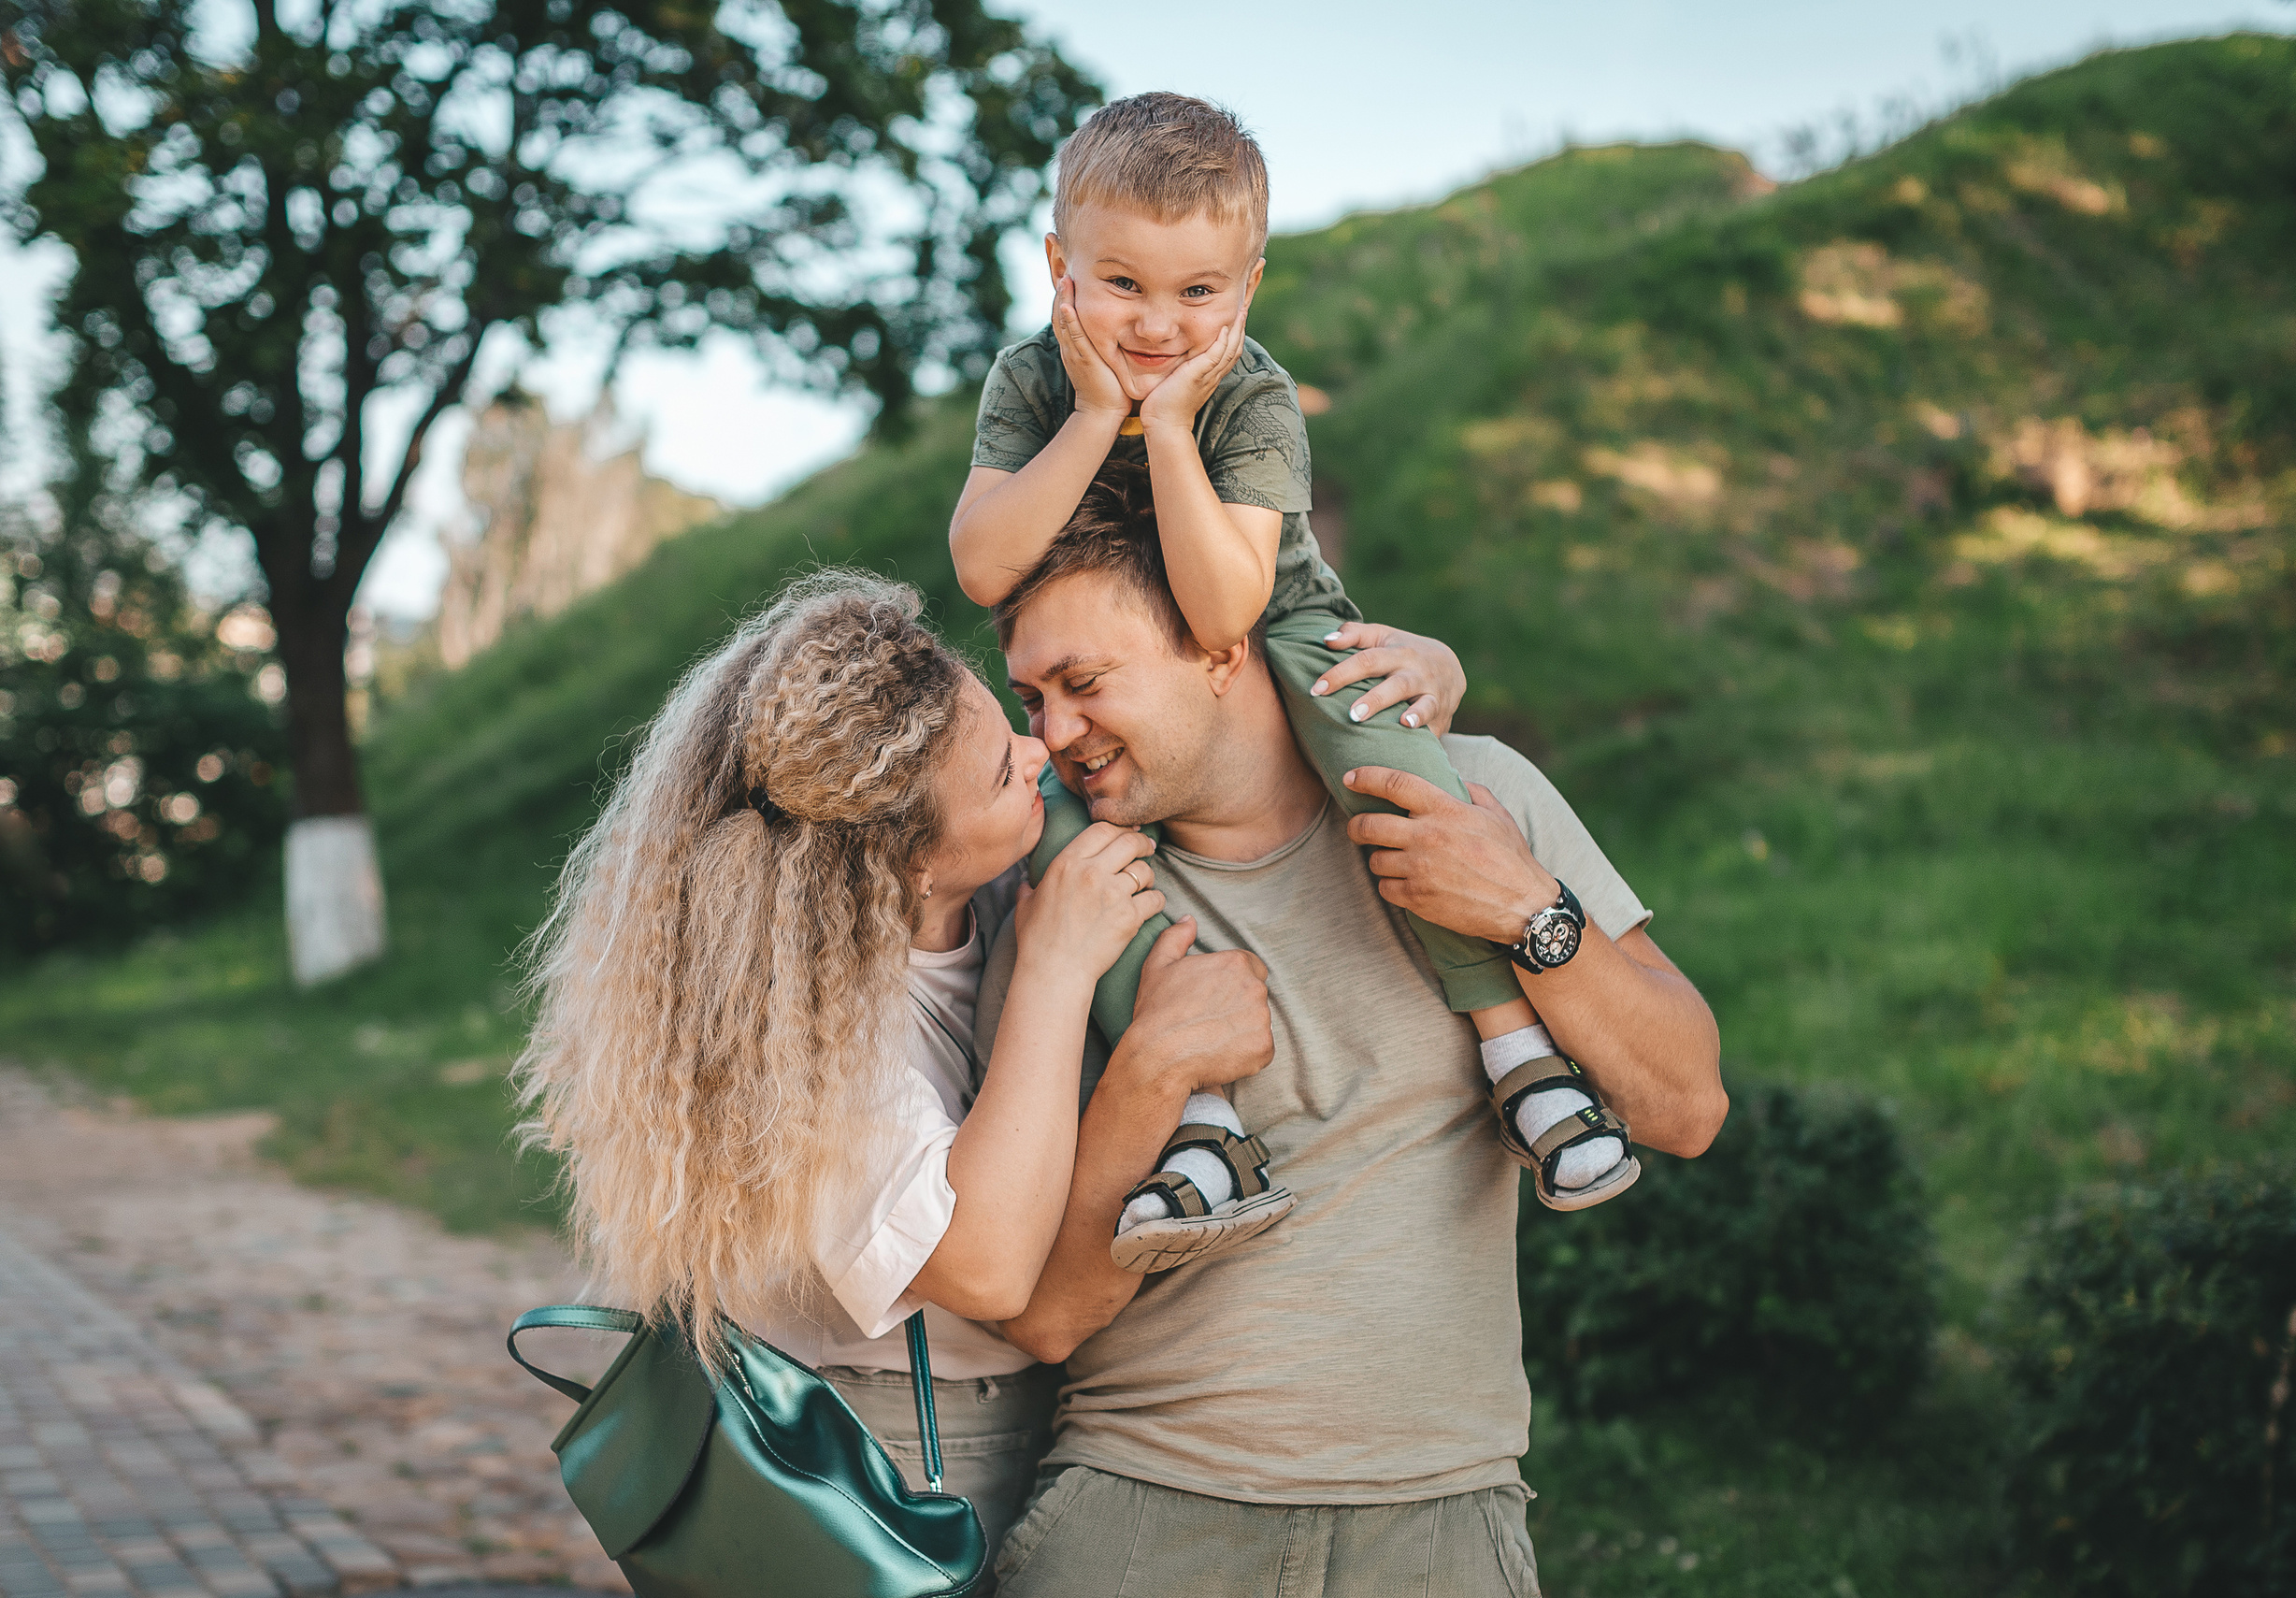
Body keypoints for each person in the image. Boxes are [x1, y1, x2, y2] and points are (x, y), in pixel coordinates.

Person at [971, 484, 1729, 1596]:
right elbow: (1039, 1314)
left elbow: (1685, 1104)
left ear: (1221, 647)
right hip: (1145, 1515)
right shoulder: (1070, 907)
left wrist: (1529, 910)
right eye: (1032, 698)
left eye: (1084, 684)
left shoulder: (1477, 794)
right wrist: (1153, 1065)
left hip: (1440, 1525)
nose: (1054, 735)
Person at [951, 94, 1637, 1272]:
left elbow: (1230, 607)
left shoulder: (1252, 400)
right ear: (1059, 268)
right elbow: (980, 562)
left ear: (1247, 287)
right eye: (1119, 286)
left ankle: (1515, 1049)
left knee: (1389, 757)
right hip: (1110, 648)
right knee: (1062, 845)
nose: (1158, 324)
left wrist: (1167, 429)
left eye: (1197, 293)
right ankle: (1205, 1122)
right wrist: (1098, 415)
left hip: (1283, 627)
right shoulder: (1031, 384)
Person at [509, 572, 1172, 1566]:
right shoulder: (797, 1024)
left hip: (1009, 1418)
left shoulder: (978, 885)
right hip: (892, 1450)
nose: (1041, 755)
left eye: (1010, 726)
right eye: (1001, 771)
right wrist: (1059, 963)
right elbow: (986, 1266)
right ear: (908, 863)